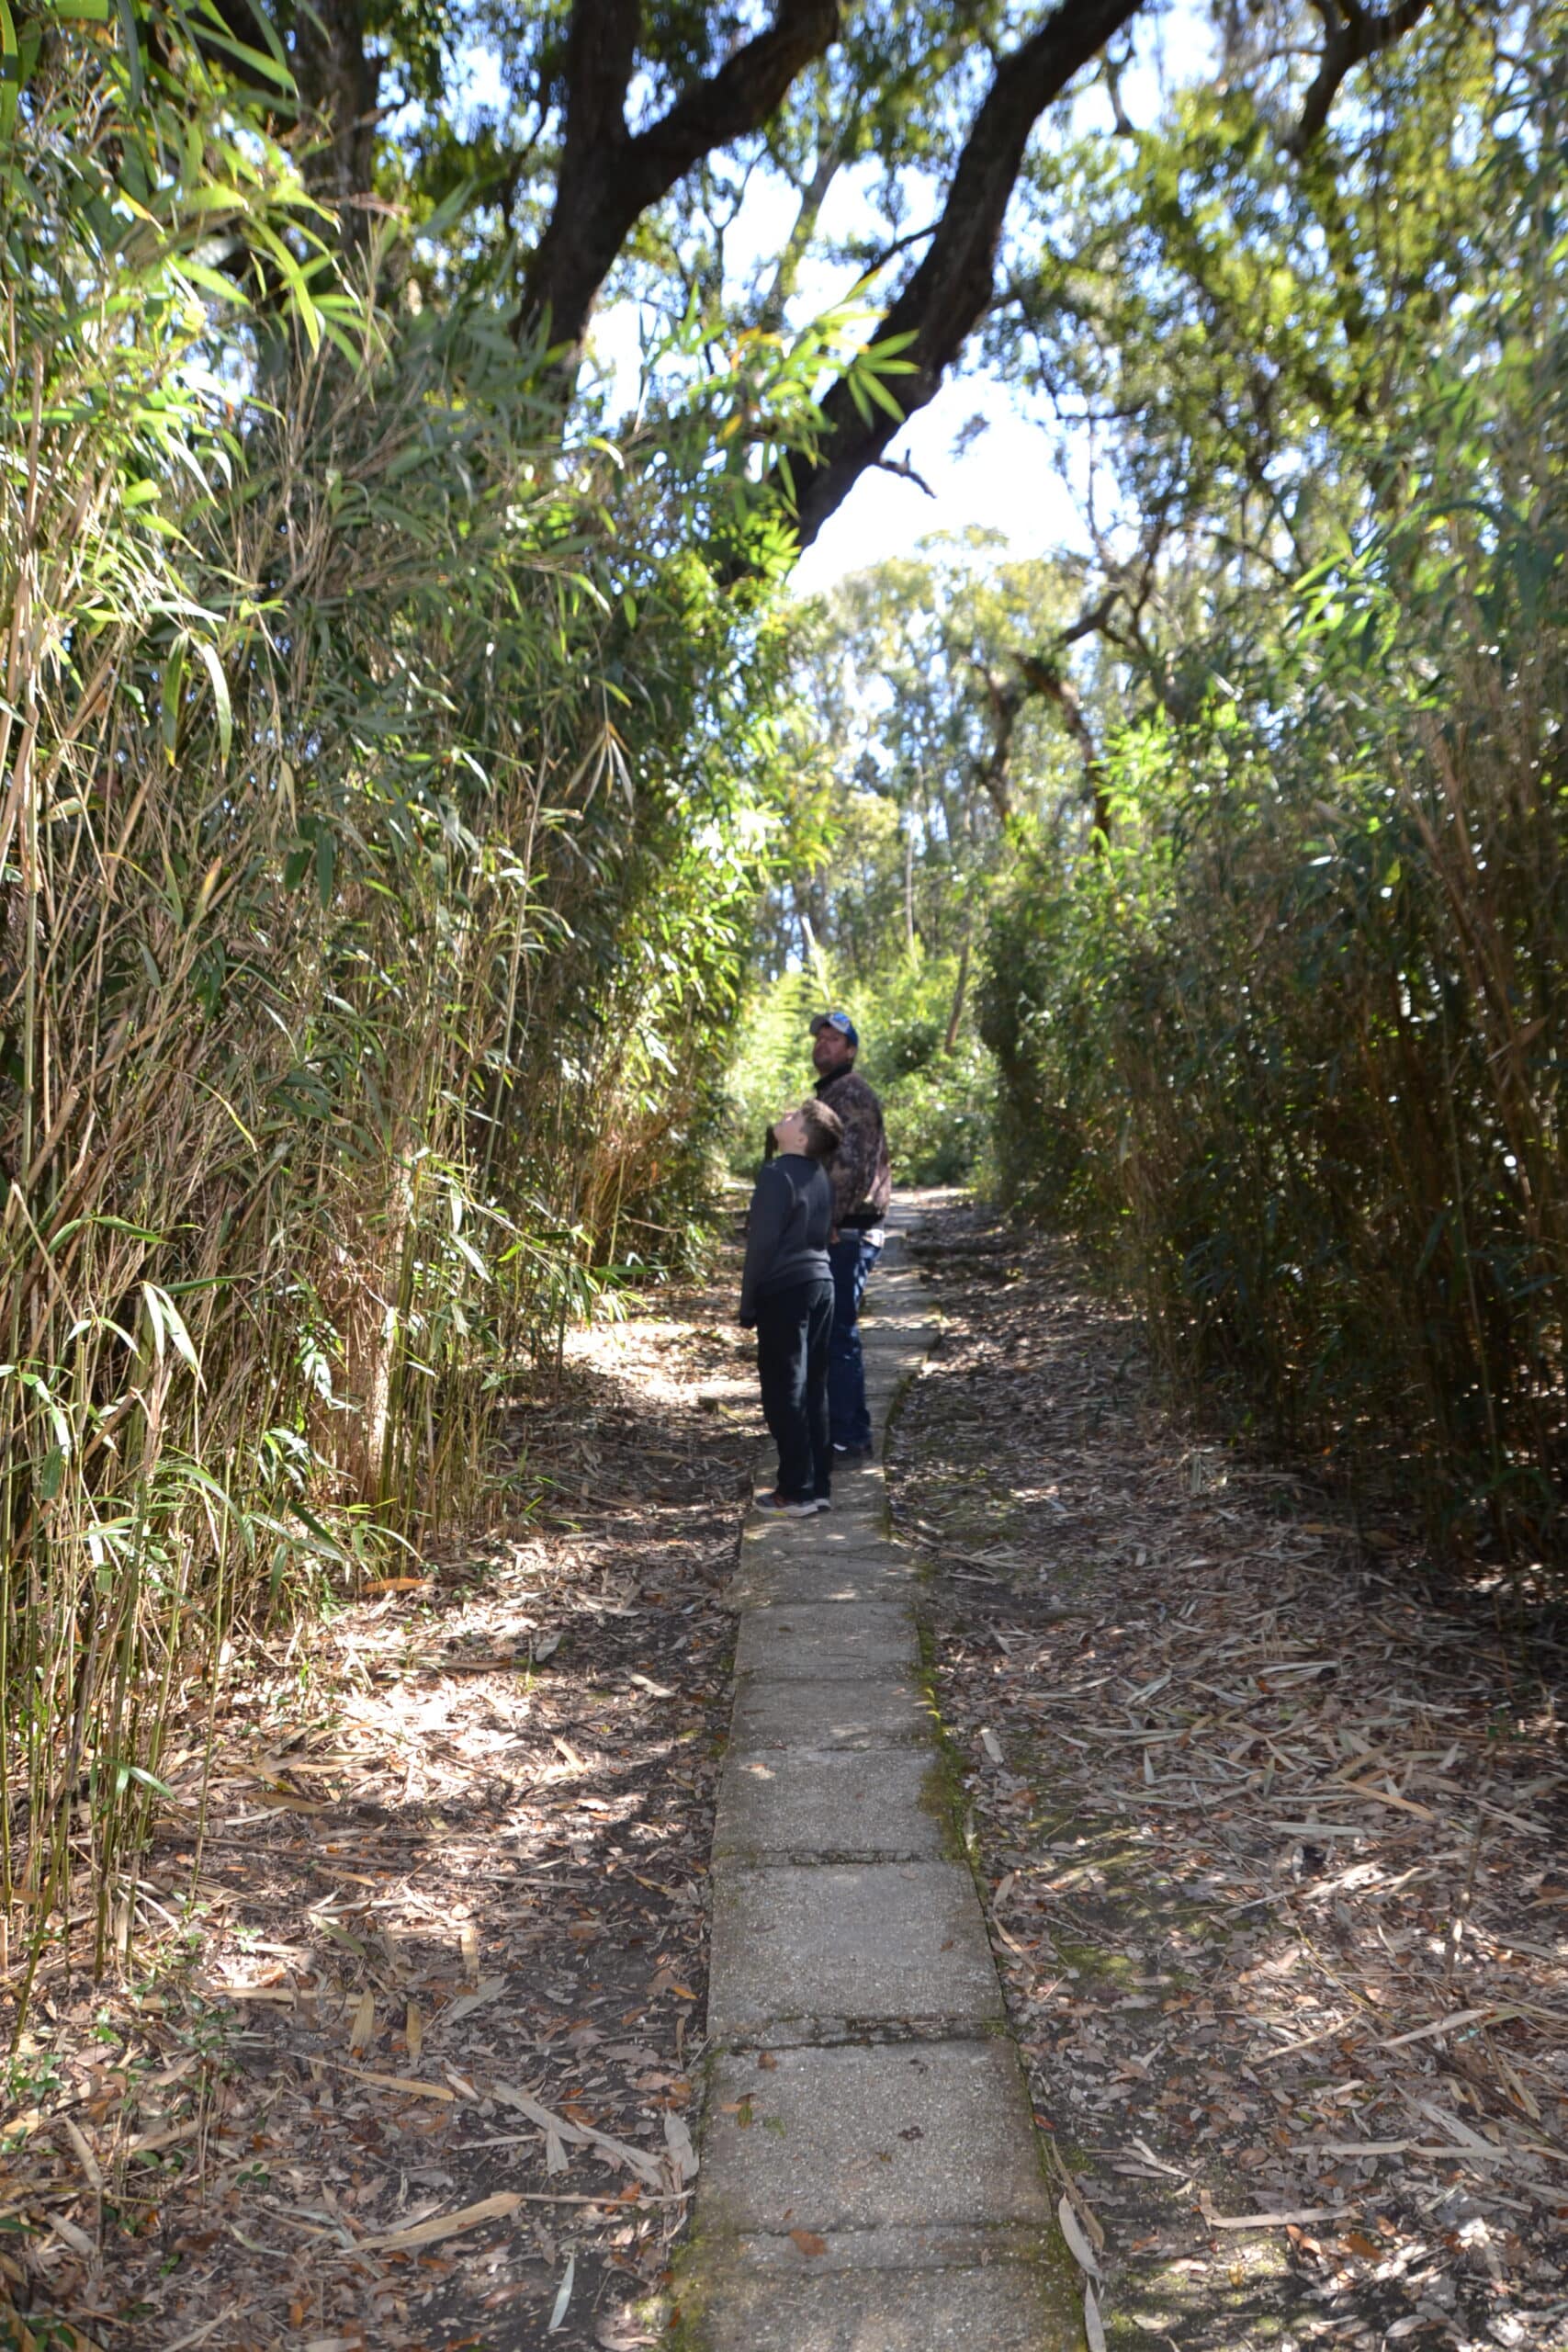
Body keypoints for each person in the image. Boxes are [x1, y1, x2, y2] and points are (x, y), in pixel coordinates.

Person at [738, 1098, 844, 1517]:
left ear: (800, 1137)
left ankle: (793, 1490)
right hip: (822, 1285)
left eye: (793, 1116)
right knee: (814, 1385)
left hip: (785, 1289)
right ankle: (818, 1485)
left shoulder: (776, 1174)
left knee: (784, 1389)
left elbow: (761, 1245)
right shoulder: (822, 1177)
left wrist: (748, 1304)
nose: (784, 1116)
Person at [809, 1011, 892, 1462]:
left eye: (834, 1038)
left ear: (851, 1050)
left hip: (850, 1232)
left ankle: (851, 1435)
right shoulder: (831, 1093)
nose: (824, 1043)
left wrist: (829, 1221)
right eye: (820, 1037)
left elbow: (854, 1166)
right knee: (829, 1330)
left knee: (838, 1330)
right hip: (838, 1228)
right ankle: (837, 1428)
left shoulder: (852, 1094)